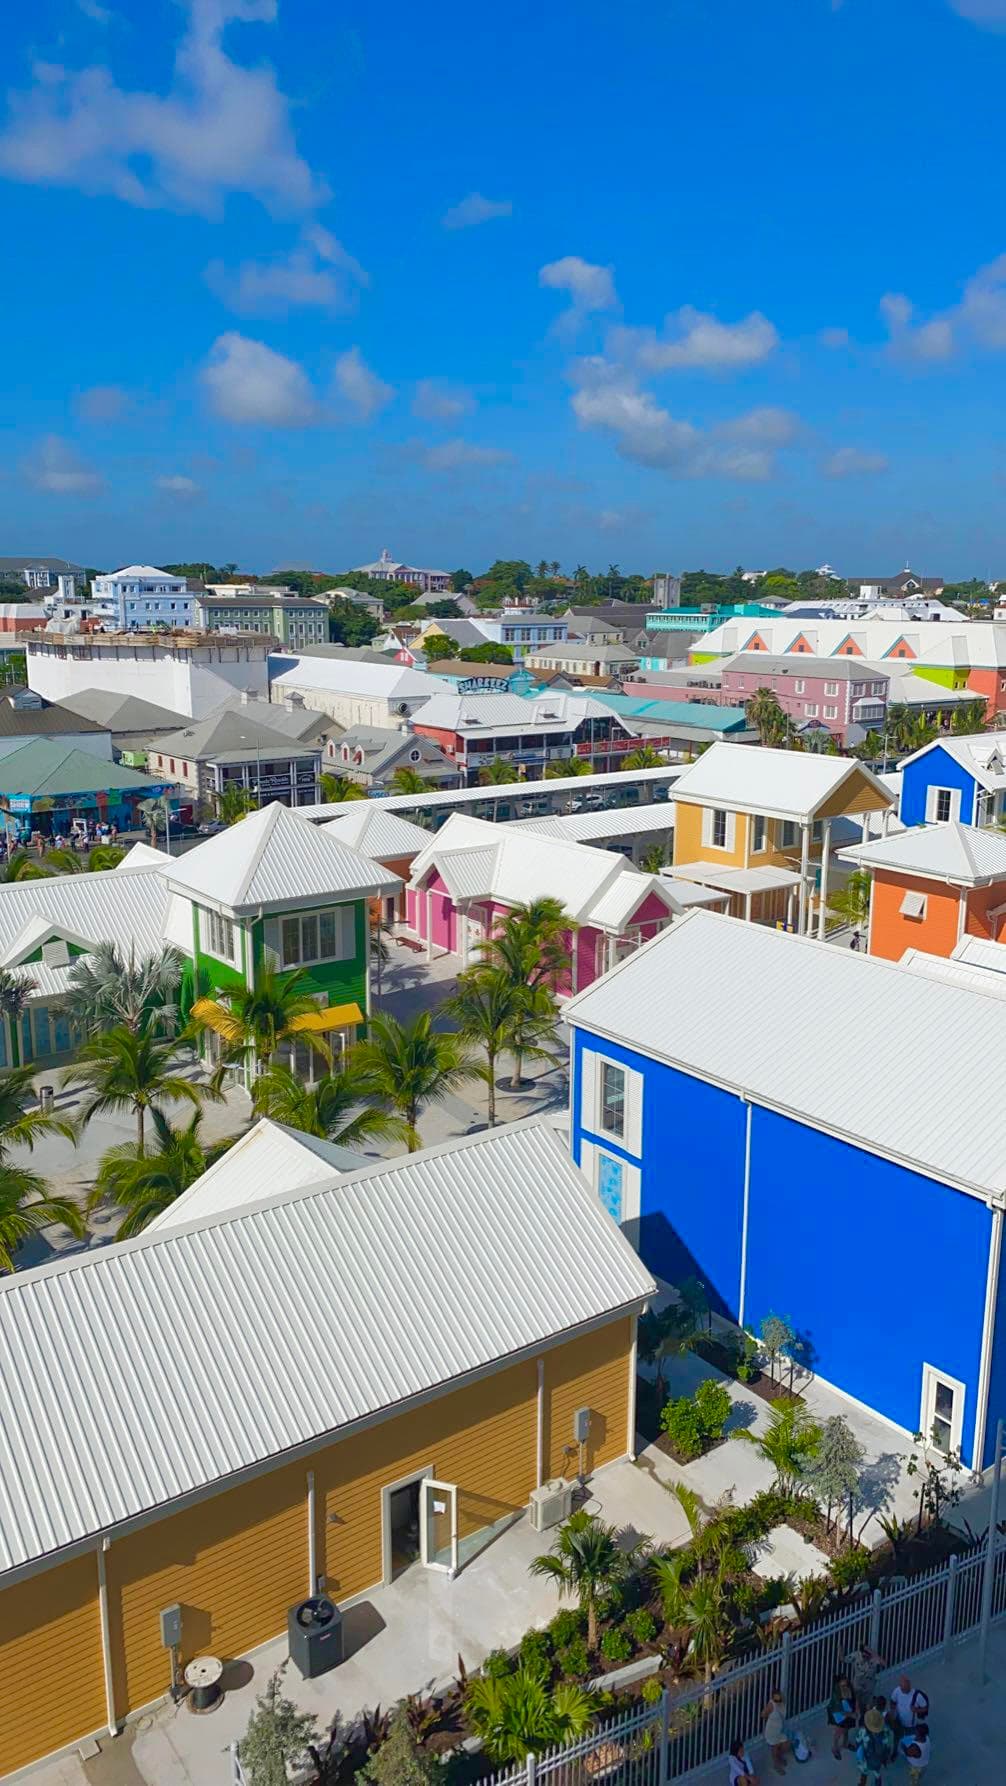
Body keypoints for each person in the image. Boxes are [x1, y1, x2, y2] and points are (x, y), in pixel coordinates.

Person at [855, 1706, 893, 1786]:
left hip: (865, 1758)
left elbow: (857, 1741)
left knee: (864, 1772)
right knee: (877, 1774)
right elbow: (888, 1746)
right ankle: (878, 1783)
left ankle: (862, 1783)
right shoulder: (886, 1731)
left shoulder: (863, 1731)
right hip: (878, 1759)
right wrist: (887, 1757)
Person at [887, 1675, 928, 1744]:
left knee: (910, 1740)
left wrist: (916, 1710)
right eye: (902, 1688)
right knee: (899, 1737)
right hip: (899, 1721)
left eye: (906, 1688)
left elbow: (925, 1708)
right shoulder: (897, 1690)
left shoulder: (917, 1696)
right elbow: (892, 1701)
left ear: (909, 1686)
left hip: (911, 1726)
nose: (903, 1690)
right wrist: (892, 1711)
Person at [827, 1673, 856, 1760]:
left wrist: (856, 1708)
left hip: (849, 1710)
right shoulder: (836, 1695)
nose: (845, 1686)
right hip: (839, 1715)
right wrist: (852, 1715)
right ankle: (835, 1748)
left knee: (847, 1728)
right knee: (838, 1732)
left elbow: (854, 1698)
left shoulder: (849, 1687)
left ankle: (845, 1743)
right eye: (842, 1685)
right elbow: (840, 1711)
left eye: (845, 1684)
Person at [850, 1645, 885, 1716]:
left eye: (867, 1656)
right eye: (863, 1655)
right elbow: (843, 1659)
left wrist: (872, 1652)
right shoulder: (857, 1656)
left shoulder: (873, 1660)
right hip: (858, 1686)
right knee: (856, 1705)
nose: (865, 1657)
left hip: (868, 1688)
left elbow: (884, 1663)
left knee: (868, 1707)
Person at [762, 1691, 789, 1776]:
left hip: (780, 1730)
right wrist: (769, 1719)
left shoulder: (782, 1703)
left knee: (785, 1744)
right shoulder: (771, 1705)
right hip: (772, 1731)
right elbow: (763, 1714)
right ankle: (776, 1765)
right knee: (775, 1747)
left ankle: (779, 1756)